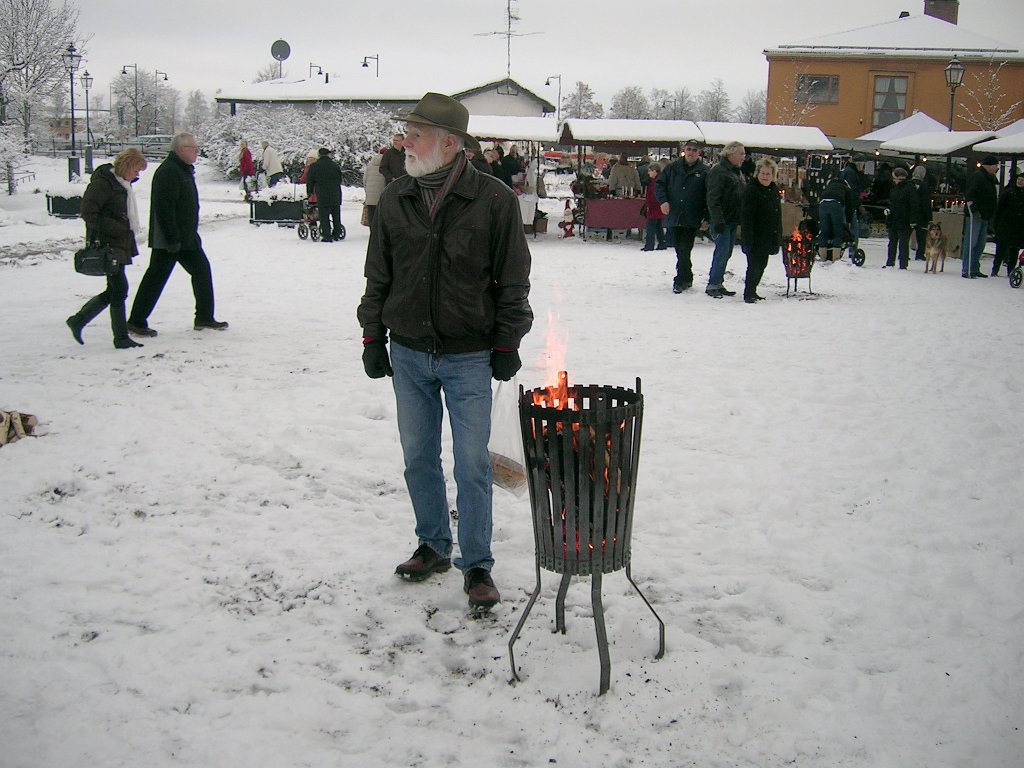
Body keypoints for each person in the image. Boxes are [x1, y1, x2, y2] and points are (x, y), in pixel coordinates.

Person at [357, 92, 533, 612]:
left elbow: (514, 282)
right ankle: (433, 544)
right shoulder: (395, 198)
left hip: (469, 357)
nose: (406, 142)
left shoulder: (494, 201)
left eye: (417, 134)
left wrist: (506, 342)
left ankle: (477, 562)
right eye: (407, 133)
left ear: (450, 144)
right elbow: (378, 276)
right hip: (409, 352)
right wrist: (372, 336)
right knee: (417, 458)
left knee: (473, 464)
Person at [127, 133, 229, 335]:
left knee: (199, 272)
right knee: (157, 277)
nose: (197, 152)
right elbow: (164, 208)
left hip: (185, 237)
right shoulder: (169, 171)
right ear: (181, 149)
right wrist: (173, 238)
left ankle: (204, 317)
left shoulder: (181, 169)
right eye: (193, 148)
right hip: (171, 239)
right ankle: (137, 321)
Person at [66, 148, 148, 349]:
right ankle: (118, 337)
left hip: (119, 242)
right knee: (119, 289)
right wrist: (117, 227)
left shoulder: (121, 184)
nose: (137, 175)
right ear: (127, 166)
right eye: (136, 170)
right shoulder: (104, 184)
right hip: (108, 243)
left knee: (115, 289)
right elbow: (88, 212)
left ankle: (79, 320)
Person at [655, 139, 709, 293]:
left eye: (694, 150)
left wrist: (707, 217)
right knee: (679, 249)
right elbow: (660, 185)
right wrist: (663, 201)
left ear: (699, 153)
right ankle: (687, 276)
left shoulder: (704, 172)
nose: (691, 152)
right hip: (674, 215)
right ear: (684, 150)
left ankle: (680, 280)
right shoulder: (672, 168)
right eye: (689, 149)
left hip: (692, 216)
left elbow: (708, 195)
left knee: (685, 248)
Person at [705, 141, 746, 298]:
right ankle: (713, 283)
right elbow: (713, 198)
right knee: (721, 252)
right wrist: (717, 220)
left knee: (726, 252)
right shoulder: (719, 171)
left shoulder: (735, 171)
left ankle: (718, 282)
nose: (744, 157)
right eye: (741, 153)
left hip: (732, 219)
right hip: (722, 220)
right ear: (730, 154)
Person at [739, 157, 782, 304]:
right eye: (763, 173)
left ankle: (753, 290)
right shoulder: (751, 190)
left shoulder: (773, 190)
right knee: (754, 265)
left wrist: (777, 236)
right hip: (755, 235)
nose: (765, 176)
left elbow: (777, 214)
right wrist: (747, 238)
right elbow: (747, 216)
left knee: (762, 264)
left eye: (768, 174)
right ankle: (749, 292)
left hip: (768, 235)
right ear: (757, 173)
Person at [962, 155, 1000, 279]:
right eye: (996, 165)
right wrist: (973, 210)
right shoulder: (978, 176)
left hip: (985, 215)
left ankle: (974, 268)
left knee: (980, 244)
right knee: (971, 242)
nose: (997, 168)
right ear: (989, 165)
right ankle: (967, 269)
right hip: (975, 215)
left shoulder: (989, 178)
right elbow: (970, 194)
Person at [306, 147, 344, 242]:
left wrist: (309, 192)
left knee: (324, 216)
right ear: (328, 155)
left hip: (323, 195)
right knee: (336, 216)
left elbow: (310, 181)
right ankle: (337, 234)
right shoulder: (335, 165)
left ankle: (327, 236)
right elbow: (339, 179)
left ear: (319, 155)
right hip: (335, 194)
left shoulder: (314, 166)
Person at [817, 171, 855, 261]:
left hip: (822, 204)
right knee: (838, 232)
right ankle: (836, 258)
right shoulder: (846, 188)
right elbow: (850, 207)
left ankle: (823, 257)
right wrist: (849, 221)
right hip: (836, 204)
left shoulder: (829, 186)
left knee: (824, 231)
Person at [992, 171, 1024, 277]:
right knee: (1000, 249)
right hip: (1005, 225)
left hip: (1019, 227)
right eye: (1019, 179)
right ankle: (995, 270)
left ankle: (1011, 271)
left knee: (1014, 250)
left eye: (1022, 180)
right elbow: (999, 209)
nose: (1020, 182)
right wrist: (996, 224)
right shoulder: (1008, 192)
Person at [884, 167, 915, 269]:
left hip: (904, 220)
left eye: (894, 177)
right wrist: (888, 210)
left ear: (899, 178)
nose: (893, 180)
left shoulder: (909, 188)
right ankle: (890, 262)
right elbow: (892, 203)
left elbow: (913, 205)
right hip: (894, 219)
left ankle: (903, 264)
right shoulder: (894, 188)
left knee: (903, 243)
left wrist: (912, 220)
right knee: (892, 242)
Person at [841, 155, 866, 257]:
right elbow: (853, 191)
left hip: (843, 202)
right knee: (854, 227)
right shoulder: (851, 173)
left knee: (843, 226)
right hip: (849, 204)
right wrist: (859, 205)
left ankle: (840, 248)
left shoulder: (846, 171)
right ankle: (852, 250)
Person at [910, 165, 933, 261]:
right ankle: (919, 254)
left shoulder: (909, 184)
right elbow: (926, 203)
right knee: (921, 236)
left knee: (906, 235)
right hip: (921, 216)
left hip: (910, 214)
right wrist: (929, 217)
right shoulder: (925, 186)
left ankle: (903, 253)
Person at [641, 164, 666, 251]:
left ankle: (649, 245)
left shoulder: (655, 182)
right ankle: (662, 243)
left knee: (650, 227)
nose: (648, 173)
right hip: (658, 208)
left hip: (654, 208)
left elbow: (654, 196)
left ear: (654, 171)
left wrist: (649, 204)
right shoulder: (657, 180)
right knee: (658, 227)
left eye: (649, 171)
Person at [362, 149, 387, 228]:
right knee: (380, 215)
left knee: (371, 214)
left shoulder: (370, 166)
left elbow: (364, 180)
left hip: (370, 196)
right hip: (381, 195)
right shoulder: (386, 165)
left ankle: (372, 230)